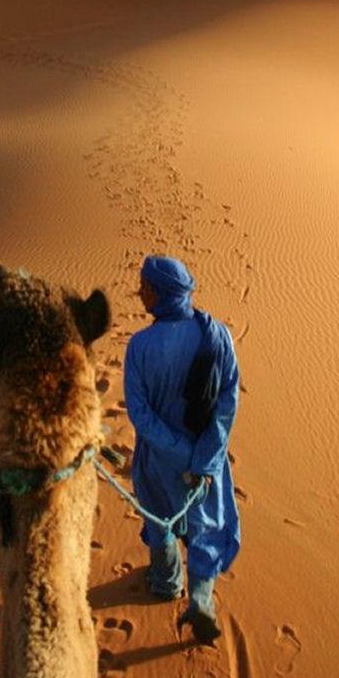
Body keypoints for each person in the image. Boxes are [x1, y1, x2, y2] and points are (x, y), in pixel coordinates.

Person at [123, 254, 240, 644]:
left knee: (160, 520)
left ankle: (166, 582)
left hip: (158, 460)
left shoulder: (139, 346)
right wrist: (203, 458)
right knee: (205, 526)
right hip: (207, 460)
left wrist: (178, 452)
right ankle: (202, 601)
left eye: (145, 286)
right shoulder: (217, 334)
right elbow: (227, 403)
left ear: (158, 293)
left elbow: (139, 414)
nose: (140, 292)